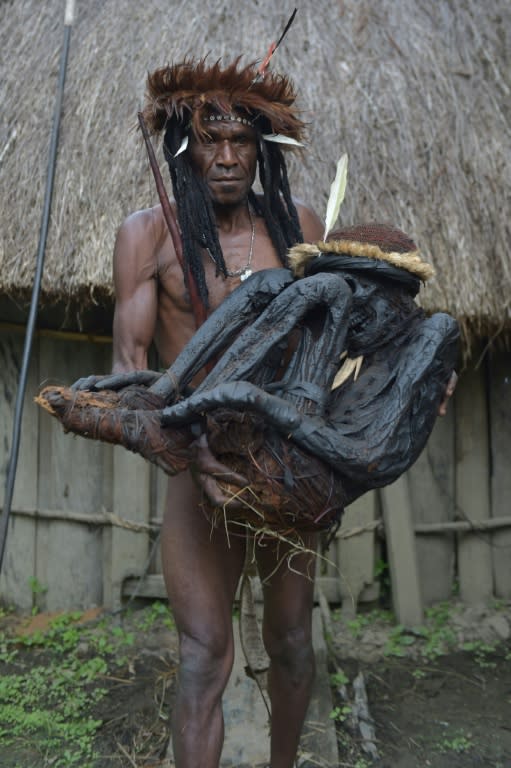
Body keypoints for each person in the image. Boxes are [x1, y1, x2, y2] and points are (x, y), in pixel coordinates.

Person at [111, 58, 324, 768]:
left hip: (285, 468)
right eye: (210, 139)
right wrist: (191, 458)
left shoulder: (299, 226)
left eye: (241, 140)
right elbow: (128, 372)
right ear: (183, 144)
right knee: (203, 654)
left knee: (293, 641)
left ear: (263, 145)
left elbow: (329, 348)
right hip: (193, 464)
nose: (227, 156)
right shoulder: (147, 236)